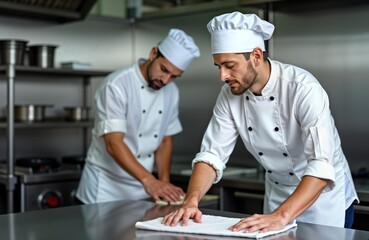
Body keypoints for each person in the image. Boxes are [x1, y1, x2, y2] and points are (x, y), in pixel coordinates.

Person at [162, 12, 359, 232]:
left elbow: (322, 164)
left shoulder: (303, 89)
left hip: (323, 199)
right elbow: (212, 155)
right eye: (219, 66)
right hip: (277, 197)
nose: (223, 76)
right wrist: (191, 201)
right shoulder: (228, 95)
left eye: (230, 65)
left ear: (256, 55)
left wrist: (282, 216)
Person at [76, 28, 200, 204]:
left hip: (143, 189)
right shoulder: (116, 85)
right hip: (105, 189)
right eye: (163, 69)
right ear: (153, 53)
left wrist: (163, 184)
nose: (165, 80)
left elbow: (165, 140)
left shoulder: (171, 91)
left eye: (174, 76)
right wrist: (150, 181)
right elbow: (114, 144)